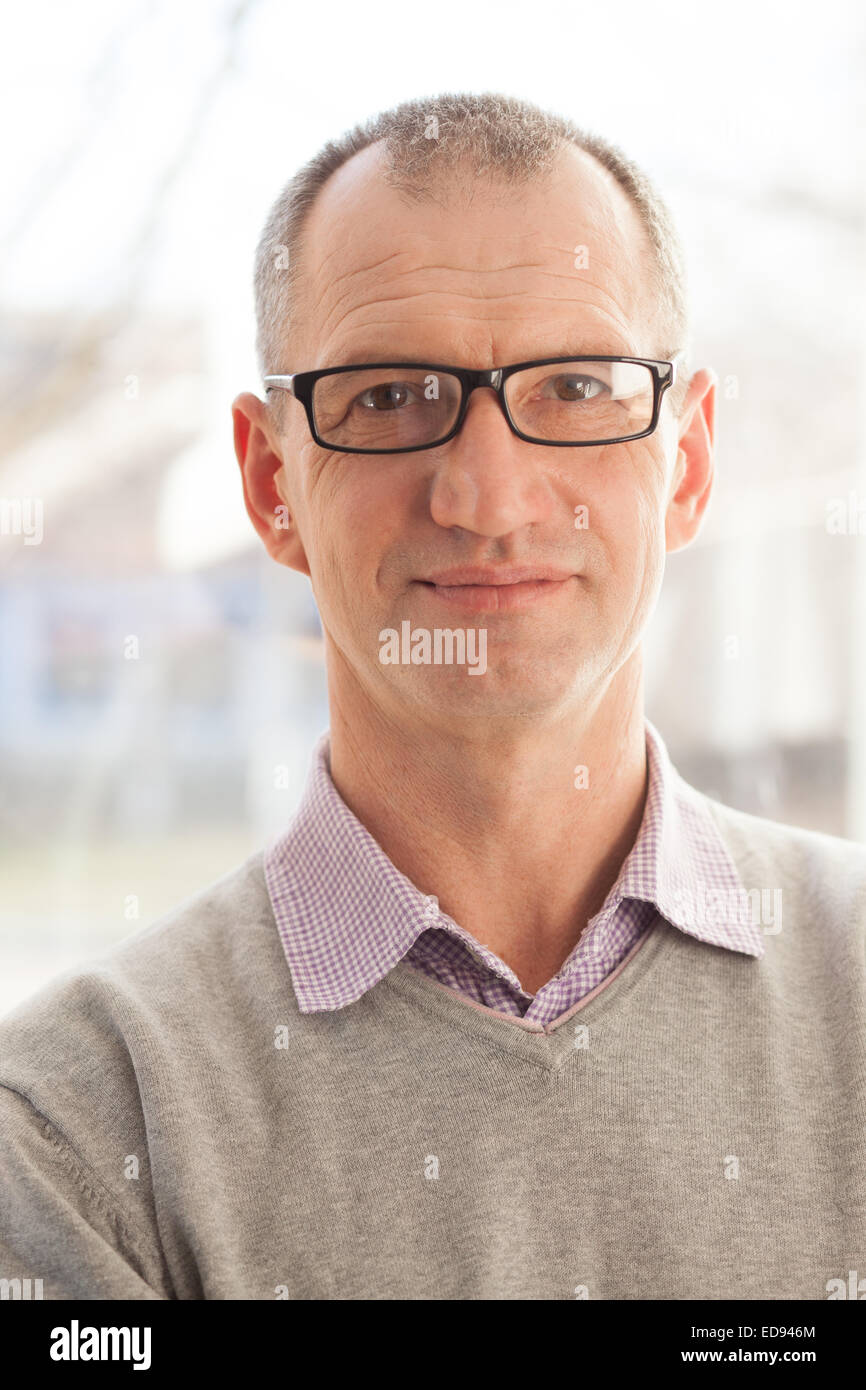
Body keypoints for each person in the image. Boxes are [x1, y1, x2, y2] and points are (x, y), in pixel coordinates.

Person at [1, 92, 864, 1302]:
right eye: (390, 397)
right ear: (270, 484)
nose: (486, 497)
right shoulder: (70, 1128)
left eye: (575, 387)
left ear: (691, 462)